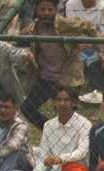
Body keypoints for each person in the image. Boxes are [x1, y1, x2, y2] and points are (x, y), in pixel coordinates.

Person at [8, 85, 92, 171]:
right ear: (53, 102)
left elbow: (82, 152)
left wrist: (60, 159)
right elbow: (44, 156)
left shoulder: (84, 124)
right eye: (59, 100)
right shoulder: (49, 125)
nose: (62, 103)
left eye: (66, 100)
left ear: (74, 102)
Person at [19, 0, 90, 129]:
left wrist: (98, 46)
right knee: (27, 108)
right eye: (42, 9)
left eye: (50, 10)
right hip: (46, 77)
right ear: (36, 10)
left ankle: (72, 136)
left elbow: (87, 26)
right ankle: (50, 130)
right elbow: (19, 37)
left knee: (66, 113)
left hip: (67, 76)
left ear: (55, 10)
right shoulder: (32, 28)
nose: (46, 13)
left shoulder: (63, 23)